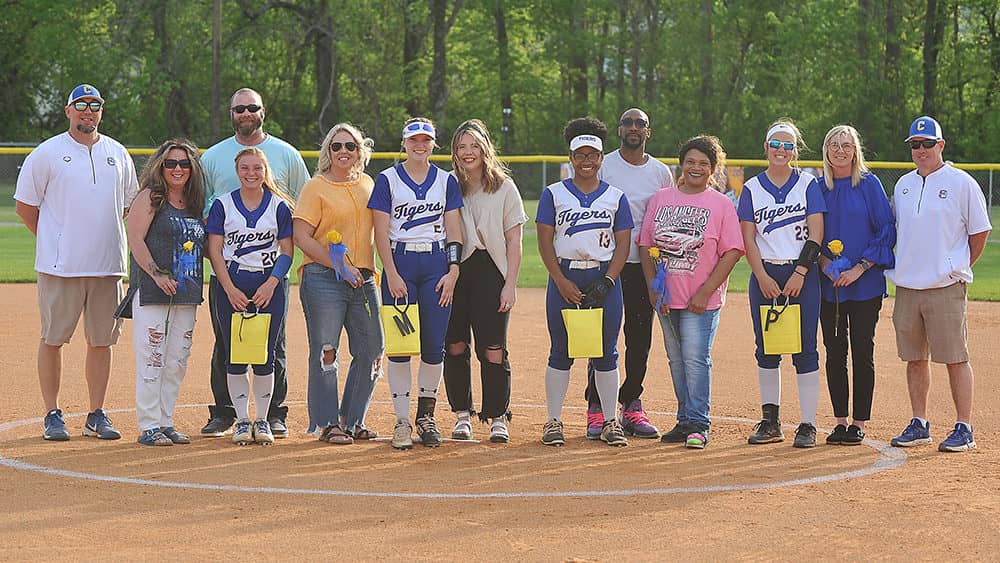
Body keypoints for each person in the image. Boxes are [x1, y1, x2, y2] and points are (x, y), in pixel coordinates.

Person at [14, 84, 138, 441]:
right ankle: (52, 412)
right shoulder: (48, 152)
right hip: (61, 267)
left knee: (102, 342)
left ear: (101, 110)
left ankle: (96, 413)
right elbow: (25, 205)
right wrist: (54, 239)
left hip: (108, 266)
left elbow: (127, 205)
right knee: (53, 339)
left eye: (94, 105)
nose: (88, 110)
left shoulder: (117, 152)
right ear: (68, 110)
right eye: (81, 104)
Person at [200, 88, 309, 439]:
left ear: (263, 111)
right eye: (239, 108)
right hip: (229, 274)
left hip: (269, 277)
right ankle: (227, 413)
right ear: (231, 112)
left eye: (252, 107)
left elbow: (301, 212)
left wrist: (273, 281)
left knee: (272, 345)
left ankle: (271, 414)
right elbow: (204, 216)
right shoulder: (214, 157)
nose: (245, 113)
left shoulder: (286, 155)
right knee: (227, 344)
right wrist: (227, 283)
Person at [887, 116, 991, 452]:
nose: (921, 150)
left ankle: (964, 427)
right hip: (908, 286)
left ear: (941, 145)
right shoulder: (903, 185)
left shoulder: (962, 183)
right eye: (915, 145)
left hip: (945, 286)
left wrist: (956, 266)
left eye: (927, 143)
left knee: (955, 357)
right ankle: (920, 423)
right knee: (914, 358)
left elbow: (979, 231)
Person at [637, 135, 744, 449]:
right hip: (667, 297)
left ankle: (699, 423)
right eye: (691, 161)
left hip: (702, 299)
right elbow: (646, 245)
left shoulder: (721, 203)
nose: (696, 168)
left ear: (712, 169)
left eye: (703, 163)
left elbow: (733, 251)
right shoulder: (661, 198)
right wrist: (653, 289)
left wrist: (706, 291)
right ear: (681, 164)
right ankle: (685, 420)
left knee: (696, 359)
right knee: (677, 359)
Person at [536, 117, 633, 448]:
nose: (587, 161)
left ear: (602, 158)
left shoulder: (615, 197)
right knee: (561, 352)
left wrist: (608, 280)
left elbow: (624, 244)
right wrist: (560, 280)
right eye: (581, 155)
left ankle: (609, 422)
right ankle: (553, 421)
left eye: (593, 155)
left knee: (606, 353)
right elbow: (545, 243)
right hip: (565, 276)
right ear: (571, 158)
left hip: (603, 277)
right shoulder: (554, 194)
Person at [368, 117, 464, 450]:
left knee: (433, 346)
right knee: (400, 346)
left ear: (433, 143)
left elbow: (454, 230)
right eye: (414, 140)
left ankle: (426, 417)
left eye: (425, 140)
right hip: (402, 263)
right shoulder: (388, 180)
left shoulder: (446, 181)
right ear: (404, 143)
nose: (419, 145)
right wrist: (391, 273)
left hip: (436, 264)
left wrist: (453, 271)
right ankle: (401, 421)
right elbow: (380, 233)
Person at [582, 108, 674, 441]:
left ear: (648, 132)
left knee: (639, 338)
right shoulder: (604, 165)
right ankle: (597, 408)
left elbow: (666, 218)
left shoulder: (661, 173)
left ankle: (631, 403)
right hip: (606, 264)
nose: (634, 128)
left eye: (641, 124)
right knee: (600, 337)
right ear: (620, 130)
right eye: (628, 123)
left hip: (642, 265)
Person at [738, 119, 826, 448]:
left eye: (788, 145)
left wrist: (801, 271)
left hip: (802, 274)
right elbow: (748, 238)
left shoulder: (808, 184)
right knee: (768, 350)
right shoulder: (752, 188)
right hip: (766, 274)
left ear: (795, 151)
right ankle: (771, 421)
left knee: (805, 351)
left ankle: (807, 424)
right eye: (775, 143)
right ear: (766, 148)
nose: (781, 150)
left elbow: (817, 233)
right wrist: (760, 275)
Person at [293, 123, 383, 445]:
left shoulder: (369, 184)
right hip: (323, 277)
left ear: (360, 152)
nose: (343, 151)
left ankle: (352, 419)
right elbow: (301, 236)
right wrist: (338, 265)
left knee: (373, 349)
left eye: (351, 146)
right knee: (326, 351)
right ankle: (328, 423)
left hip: (364, 278)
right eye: (337, 146)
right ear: (327, 151)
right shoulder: (316, 187)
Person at [443, 119, 527, 443]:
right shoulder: (450, 185)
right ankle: (462, 414)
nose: (468, 152)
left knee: (493, 348)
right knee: (455, 343)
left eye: (474, 146)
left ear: (485, 148)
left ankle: (497, 415)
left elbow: (514, 241)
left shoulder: (504, 186)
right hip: (456, 270)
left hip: (492, 271)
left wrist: (511, 284)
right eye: (461, 147)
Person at [206, 148, 295, 446]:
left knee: (264, 356)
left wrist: (272, 283)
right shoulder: (223, 205)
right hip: (231, 283)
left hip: (267, 283)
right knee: (234, 354)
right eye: (245, 168)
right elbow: (215, 251)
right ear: (237, 170)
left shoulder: (279, 206)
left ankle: (263, 419)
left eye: (257, 167)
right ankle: (242, 419)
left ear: (265, 170)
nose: (251, 173)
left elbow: (287, 252)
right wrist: (229, 288)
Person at [122, 139, 207, 446]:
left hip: (187, 292)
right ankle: (148, 424)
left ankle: (166, 420)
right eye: (170, 163)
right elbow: (135, 240)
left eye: (184, 163)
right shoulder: (151, 197)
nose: (177, 169)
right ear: (160, 166)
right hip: (153, 291)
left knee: (177, 360)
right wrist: (157, 274)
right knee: (152, 357)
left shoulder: (195, 201)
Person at [816, 126, 895, 446]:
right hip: (830, 284)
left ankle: (859, 421)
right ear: (826, 150)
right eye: (834, 145)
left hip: (865, 284)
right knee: (834, 353)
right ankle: (839, 421)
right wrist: (824, 265)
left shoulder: (870, 184)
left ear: (855, 150)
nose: (840, 150)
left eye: (846, 145)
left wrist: (860, 268)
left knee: (863, 351)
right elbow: (810, 233)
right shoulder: (818, 187)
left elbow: (886, 230)